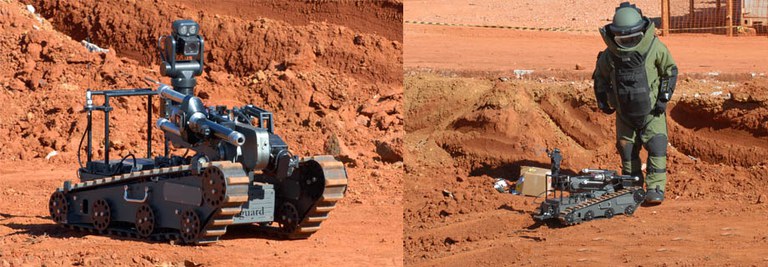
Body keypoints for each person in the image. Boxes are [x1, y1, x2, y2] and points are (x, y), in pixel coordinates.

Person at [592, 2, 678, 205]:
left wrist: (664, 98)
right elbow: (600, 79)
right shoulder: (609, 55)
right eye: (625, 39)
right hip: (624, 113)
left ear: (641, 31)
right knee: (627, 150)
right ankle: (632, 186)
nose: (629, 42)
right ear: (615, 36)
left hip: (652, 112)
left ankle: (656, 187)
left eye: (633, 38)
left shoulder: (654, 47)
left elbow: (670, 71)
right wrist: (603, 101)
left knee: (657, 146)